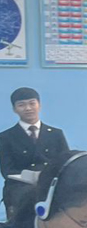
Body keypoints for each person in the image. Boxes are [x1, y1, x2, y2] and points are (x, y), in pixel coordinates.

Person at [0, 86, 69, 218]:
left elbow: (65, 164)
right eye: (21, 105)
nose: (28, 108)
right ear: (14, 109)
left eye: (32, 103)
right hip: (20, 189)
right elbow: (7, 171)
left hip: (51, 186)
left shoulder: (56, 134)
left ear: (39, 105)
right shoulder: (5, 137)